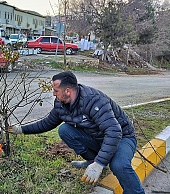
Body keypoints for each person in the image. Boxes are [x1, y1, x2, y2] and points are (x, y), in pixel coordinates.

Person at [9, 71, 145, 194]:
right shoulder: (61, 104)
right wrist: (21, 129)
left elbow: (114, 131)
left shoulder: (93, 100)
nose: (53, 94)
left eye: (56, 90)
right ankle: (91, 160)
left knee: (118, 165)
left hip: (123, 137)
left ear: (67, 91)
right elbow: (47, 123)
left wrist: (100, 164)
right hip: (98, 137)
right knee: (65, 130)